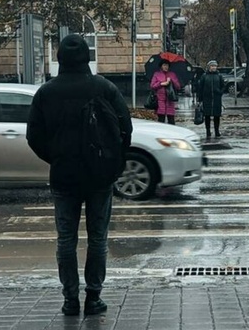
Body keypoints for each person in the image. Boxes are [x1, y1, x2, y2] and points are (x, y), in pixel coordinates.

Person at [26, 34, 133, 316]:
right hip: (99, 176)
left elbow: (33, 136)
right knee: (98, 238)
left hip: (64, 176)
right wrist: (111, 162)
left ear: (59, 58)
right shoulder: (104, 88)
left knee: (66, 239)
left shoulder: (46, 92)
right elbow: (126, 129)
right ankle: (93, 297)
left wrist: (56, 157)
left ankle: (70, 299)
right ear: (87, 57)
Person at [197, 60, 225, 138]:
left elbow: (223, 86)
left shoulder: (219, 76)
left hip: (216, 99)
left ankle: (217, 131)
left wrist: (220, 92)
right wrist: (200, 99)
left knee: (217, 116)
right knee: (207, 116)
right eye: (212, 66)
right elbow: (200, 88)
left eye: (215, 66)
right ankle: (208, 131)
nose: (213, 67)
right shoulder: (204, 76)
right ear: (209, 67)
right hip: (207, 99)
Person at [150, 59, 181, 124]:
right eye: (164, 65)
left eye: (167, 65)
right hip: (160, 100)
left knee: (171, 121)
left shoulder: (172, 74)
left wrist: (172, 81)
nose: (166, 67)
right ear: (161, 66)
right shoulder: (157, 74)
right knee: (161, 120)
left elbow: (178, 86)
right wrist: (161, 83)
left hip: (170, 101)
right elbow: (152, 86)